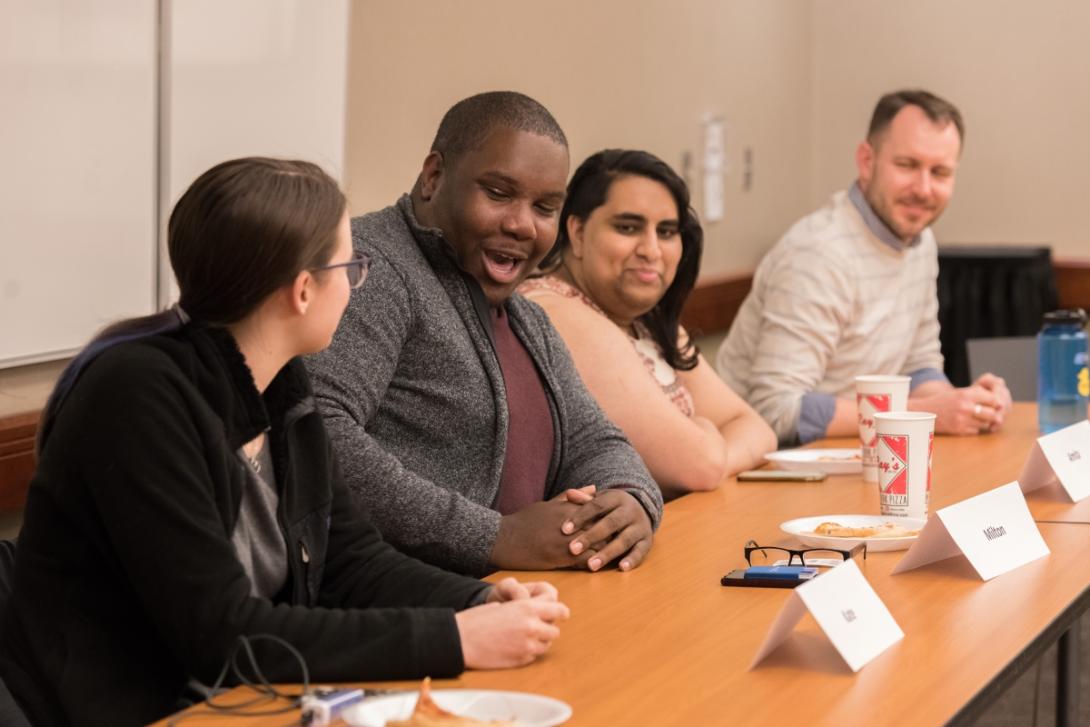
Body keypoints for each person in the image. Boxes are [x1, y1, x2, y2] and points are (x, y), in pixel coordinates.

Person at [0, 158, 568, 727]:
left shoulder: (281, 383)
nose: (353, 284)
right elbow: (223, 634)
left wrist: (479, 602)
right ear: (302, 291)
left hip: (219, 702)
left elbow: (352, 562)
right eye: (351, 267)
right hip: (94, 708)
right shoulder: (138, 395)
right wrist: (454, 639)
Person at [307, 92, 663, 577]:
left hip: (513, 604)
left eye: (544, 207)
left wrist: (629, 501)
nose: (521, 224)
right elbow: (317, 431)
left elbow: (596, 440)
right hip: (398, 616)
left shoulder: (525, 317)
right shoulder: (371, 268)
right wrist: (496, 537)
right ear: (434, 177)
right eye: (498, 194)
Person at [716, 89, 1013, 445]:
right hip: (768, 468)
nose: (923, 189)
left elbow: (917, 366)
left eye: (940, 172)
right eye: (907, 165)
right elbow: (775, 410)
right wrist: (929, 414)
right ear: (866, 160)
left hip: (858, 454)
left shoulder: (920, 242)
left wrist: (968, 405)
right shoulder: (820, 254)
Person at [519, 150, 776, 499]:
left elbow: (756, 432)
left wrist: (714, 453)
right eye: (628, 227)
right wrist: (705, 438)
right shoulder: (556, 311)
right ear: (577, 232)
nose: (652, 250)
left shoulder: (645, 321)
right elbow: (696, 466)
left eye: (667, 231)